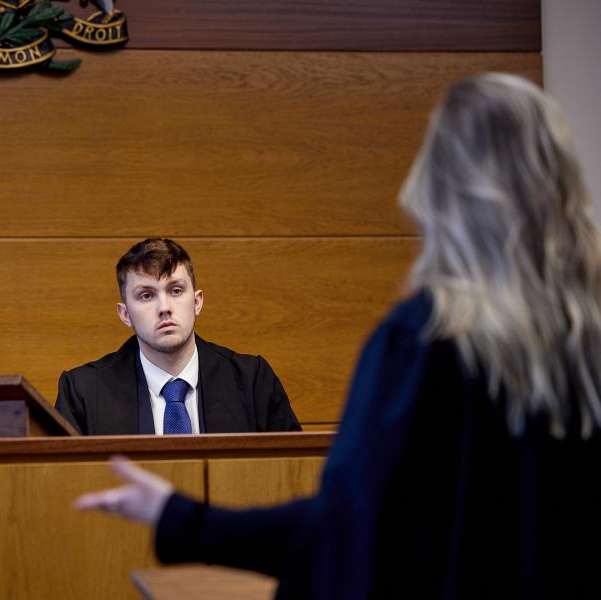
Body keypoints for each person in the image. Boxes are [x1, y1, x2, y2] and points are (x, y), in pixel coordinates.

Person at [73, 73, 601, 598]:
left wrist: (179, 518)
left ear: (435, 193)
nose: (164, 306)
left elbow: (345, 528)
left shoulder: (421, 340)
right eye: (147, 295)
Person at [55, 237, 301, 435]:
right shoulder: (83, 392)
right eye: (146, 295)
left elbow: (295, 471)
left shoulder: (252, 381)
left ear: (196, 302)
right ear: (125, 314)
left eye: (175, 290)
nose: (164, 307)